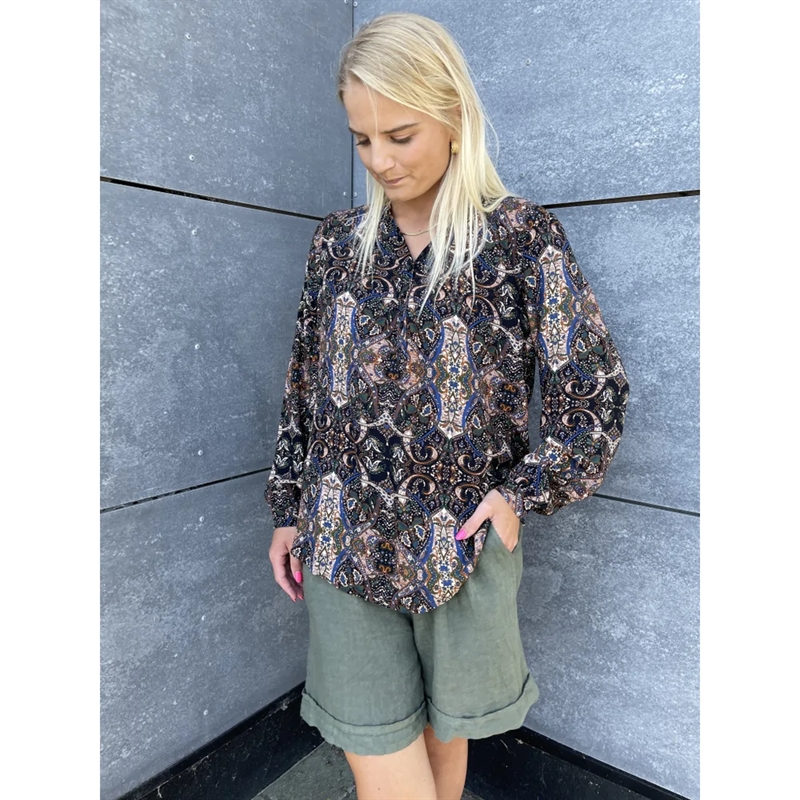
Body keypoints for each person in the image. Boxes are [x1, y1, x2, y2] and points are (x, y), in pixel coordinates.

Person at [264, 12, 629, 800]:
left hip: (459, 548)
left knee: (441, 751)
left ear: (454, 115)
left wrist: (521, 495)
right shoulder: (338, 244)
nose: (380, 160)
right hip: (343, 540)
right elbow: (303, 386)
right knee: (385, 769)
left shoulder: (520, 238)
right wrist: (289, 507)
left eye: (401, 135)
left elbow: (592, 392)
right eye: (363, 139)